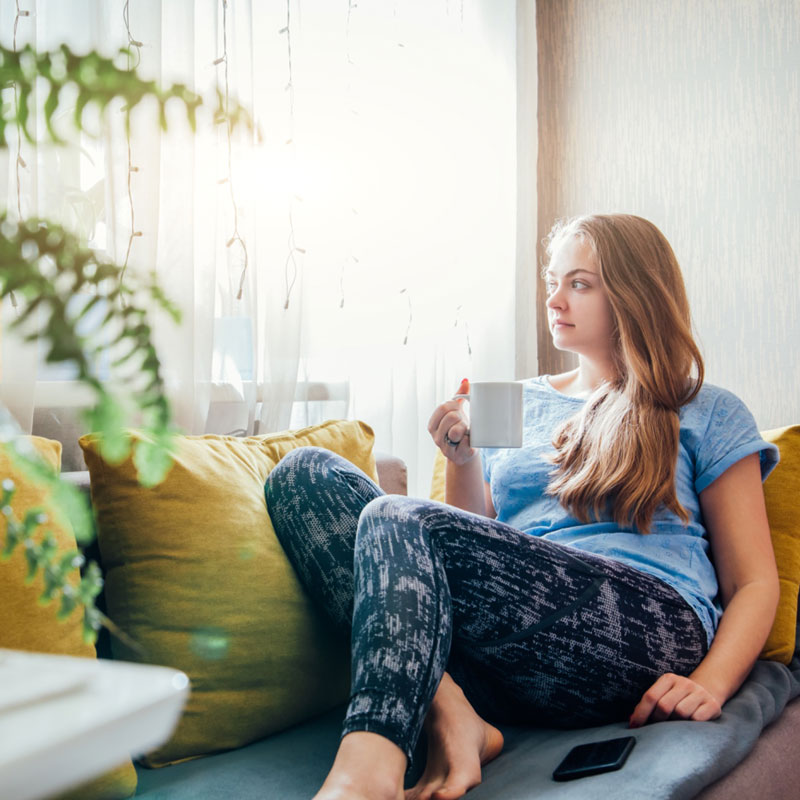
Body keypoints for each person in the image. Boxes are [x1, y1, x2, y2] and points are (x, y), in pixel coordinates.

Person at [265, 213, 780, 800]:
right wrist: (463, 461)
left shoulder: (703, 408)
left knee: (397, 514)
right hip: (508, 655)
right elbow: (481, 544)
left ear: (636, 293)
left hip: (641, 630)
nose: (555, 299)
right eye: (552, 282)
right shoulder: (515, 401)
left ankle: (366, 771)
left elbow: (753, 582)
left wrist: (711, 684)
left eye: (580, 284)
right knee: (301, 474)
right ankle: (451, 710)